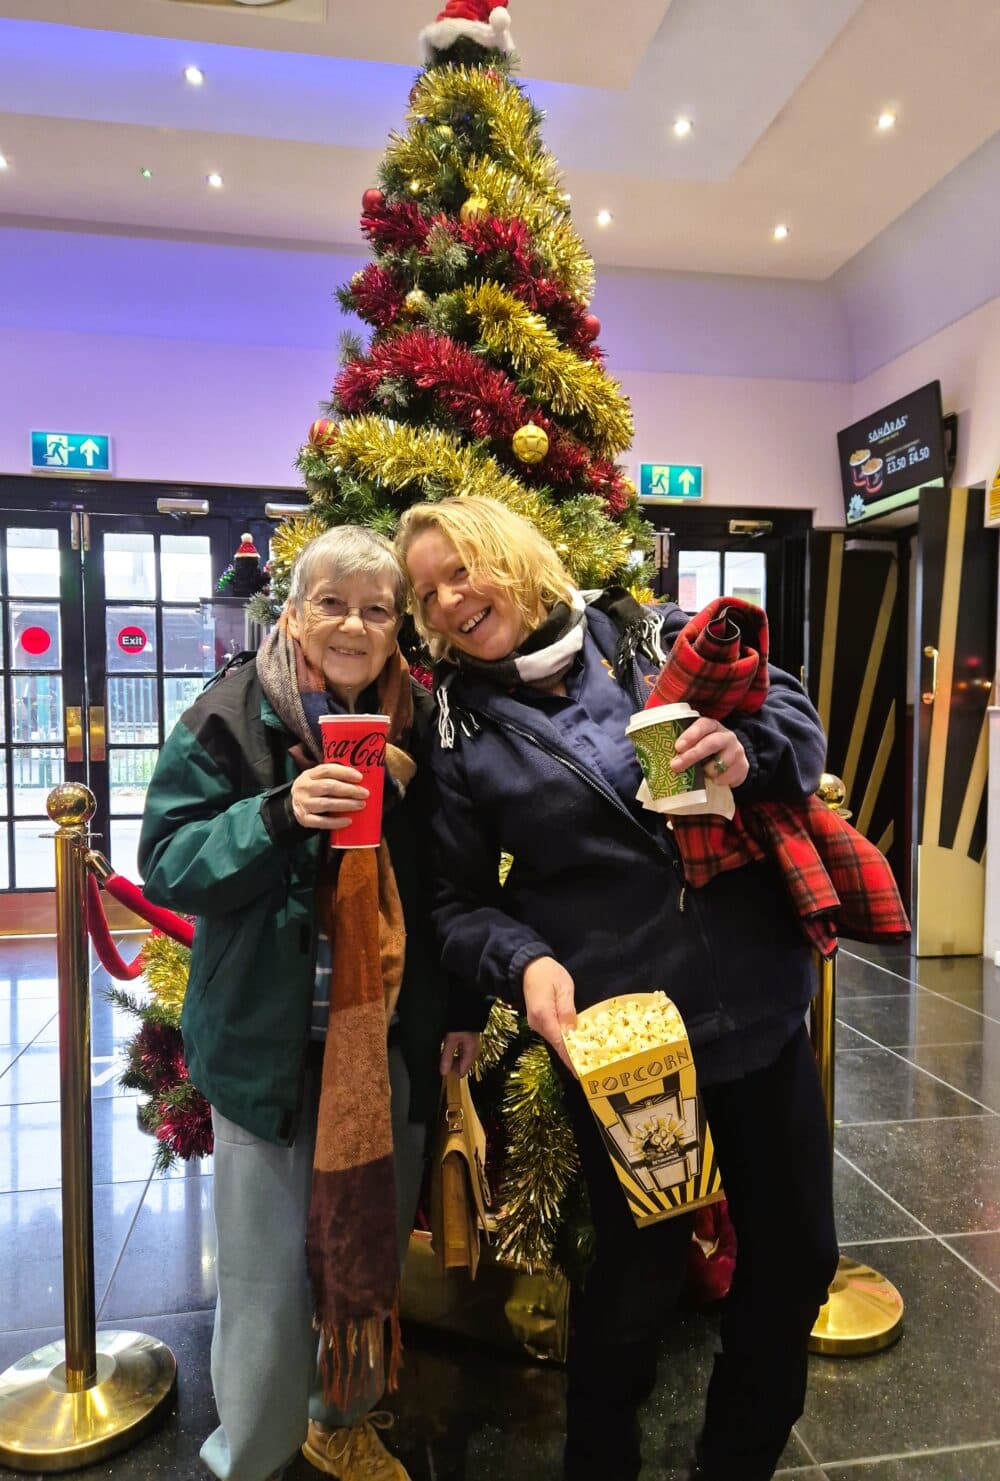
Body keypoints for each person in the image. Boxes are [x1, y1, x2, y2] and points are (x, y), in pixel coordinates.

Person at [397, 496, 840, 1481]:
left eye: (461, 568)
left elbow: (794, 723)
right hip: (632, 1041)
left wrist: (746, 751)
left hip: (759, 1011)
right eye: (428, 593)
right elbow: (454, 903)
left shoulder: (655, 637)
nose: (449, 599)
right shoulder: (464, 734)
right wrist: (527, 962)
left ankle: (735, 1460)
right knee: (636, 1285)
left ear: (515, 554)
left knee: (798, 1256)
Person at [139, 526, 486, 1481]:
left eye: (377, 608)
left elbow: (453, 880)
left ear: (397, 631)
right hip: (269, 1044)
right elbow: (166, 861)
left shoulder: (420, 722)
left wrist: (458, 1006)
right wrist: (281, 812)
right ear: (292, 614)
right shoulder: (232, 714)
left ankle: (342, 1416)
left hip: (383, 1044)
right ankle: (250, 1453)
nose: (353, 624)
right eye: (331, 602)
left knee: (364, 1245)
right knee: (260, 1283)